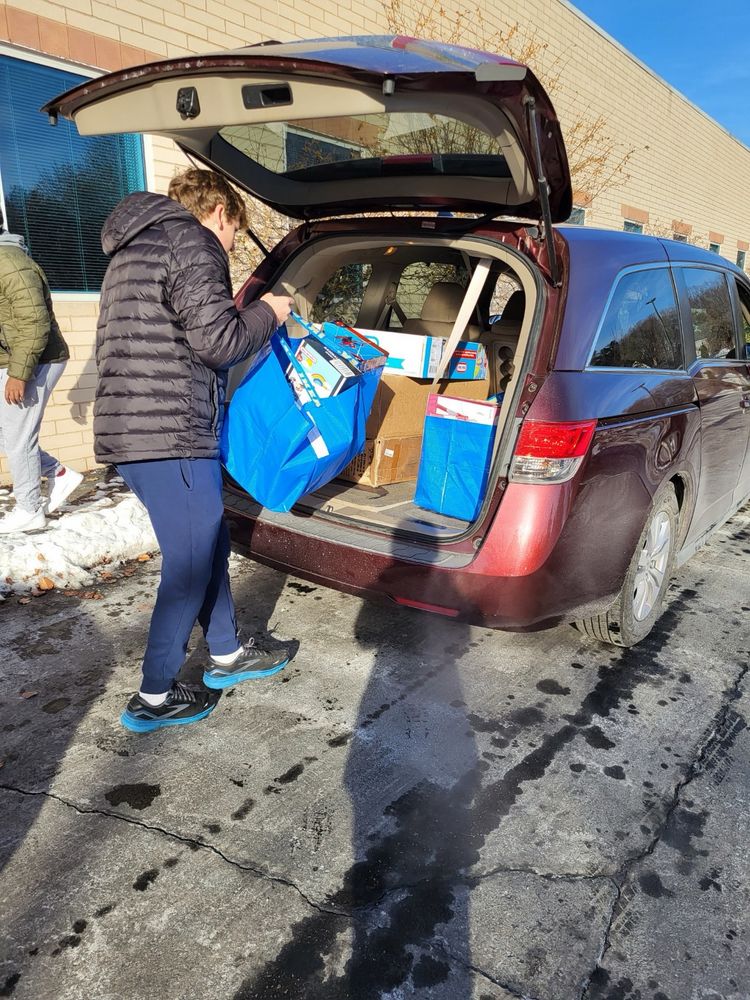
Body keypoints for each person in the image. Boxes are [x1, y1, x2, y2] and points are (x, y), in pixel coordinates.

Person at [95, 169, 294, 732]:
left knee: (206, 543)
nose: (229, 246)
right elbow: (219, 342)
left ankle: (227, 652)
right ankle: (154, 696)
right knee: (187, 565)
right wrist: (271, 311)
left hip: (135, 430)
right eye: (234, 234)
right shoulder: (191, 240)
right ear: (221, 212)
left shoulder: (135, 247)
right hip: (171, 434)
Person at [0, 211, 83, 534]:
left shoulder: (9, 262)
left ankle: (30, 509)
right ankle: (58, 473)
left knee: (19, 438)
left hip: (36, 361)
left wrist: (20, 374)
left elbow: (35, 321)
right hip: (14, 360)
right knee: (9, 436)